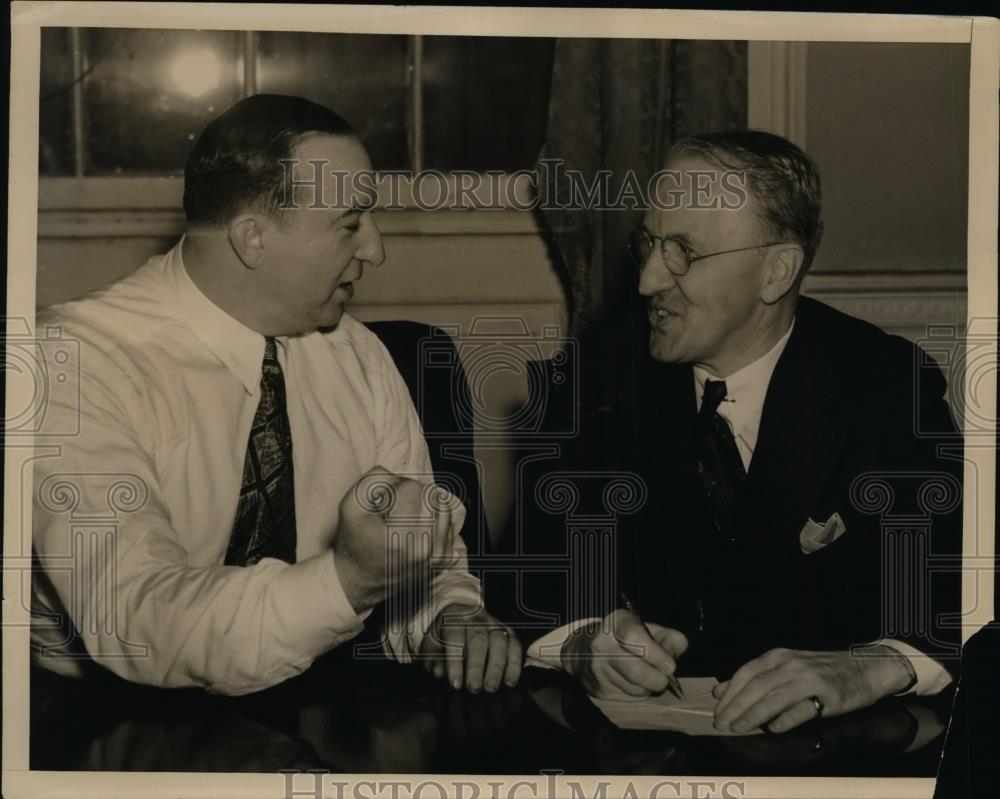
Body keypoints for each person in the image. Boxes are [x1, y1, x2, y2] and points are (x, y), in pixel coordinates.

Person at [31, 94, 522, 696]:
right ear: (252, 240)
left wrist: (448, 618)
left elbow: (422, 558)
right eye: (350, 223)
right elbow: (135, 615)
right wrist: (349, 579)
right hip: (98, 718)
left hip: (313, 707)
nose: (375, 249)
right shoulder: (69, 363)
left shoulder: (356, 353)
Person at [520, 130, 963, 734]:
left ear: (776, 272)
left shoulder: (887, 388)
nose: (648, 280)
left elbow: (958, 596)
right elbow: (525, 582)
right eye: (649, 243)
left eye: (683, 251)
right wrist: (580, 642)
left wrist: (869, 668)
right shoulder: (592, 380)